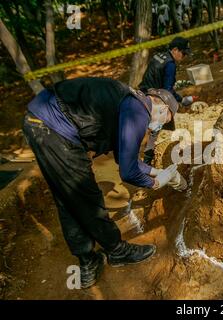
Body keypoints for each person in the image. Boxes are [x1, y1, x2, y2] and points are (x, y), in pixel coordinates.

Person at [22, 77, 183, 289]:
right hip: (53, 128)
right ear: (161, 105)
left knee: (69, 197)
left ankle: (88, 260)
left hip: (42, 124)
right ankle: (117, 251)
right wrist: (155, 183)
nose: (160, 126)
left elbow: (125, 158)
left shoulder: (130, 103)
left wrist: (157, 171)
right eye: (167, 118)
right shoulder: (138, 110)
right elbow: (128, 172)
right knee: (85, 195)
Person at [139, 36, 198, 165]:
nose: (184, 57)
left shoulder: (158, 55)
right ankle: (147, 163)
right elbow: (167, 90)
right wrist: (181, 99)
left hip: (142, 91)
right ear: (175, 50)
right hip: (154, 96)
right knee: (155, 130)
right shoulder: (170, 64)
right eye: (183, 53)